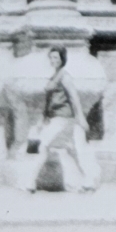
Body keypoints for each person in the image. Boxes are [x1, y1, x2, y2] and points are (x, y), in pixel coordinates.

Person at [19, 46, 100, 192]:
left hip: (63, 118)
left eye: (56, 57)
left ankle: (29, 182)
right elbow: (49, 100)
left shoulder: (65, 76)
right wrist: (43, 118)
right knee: (70, 150)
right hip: (56, 117)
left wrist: (81, 118)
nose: (53, 60)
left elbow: (74, 98)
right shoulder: (55, 76)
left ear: (62, 59)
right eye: (51, 57)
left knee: (41, 146)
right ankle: (88, 181)